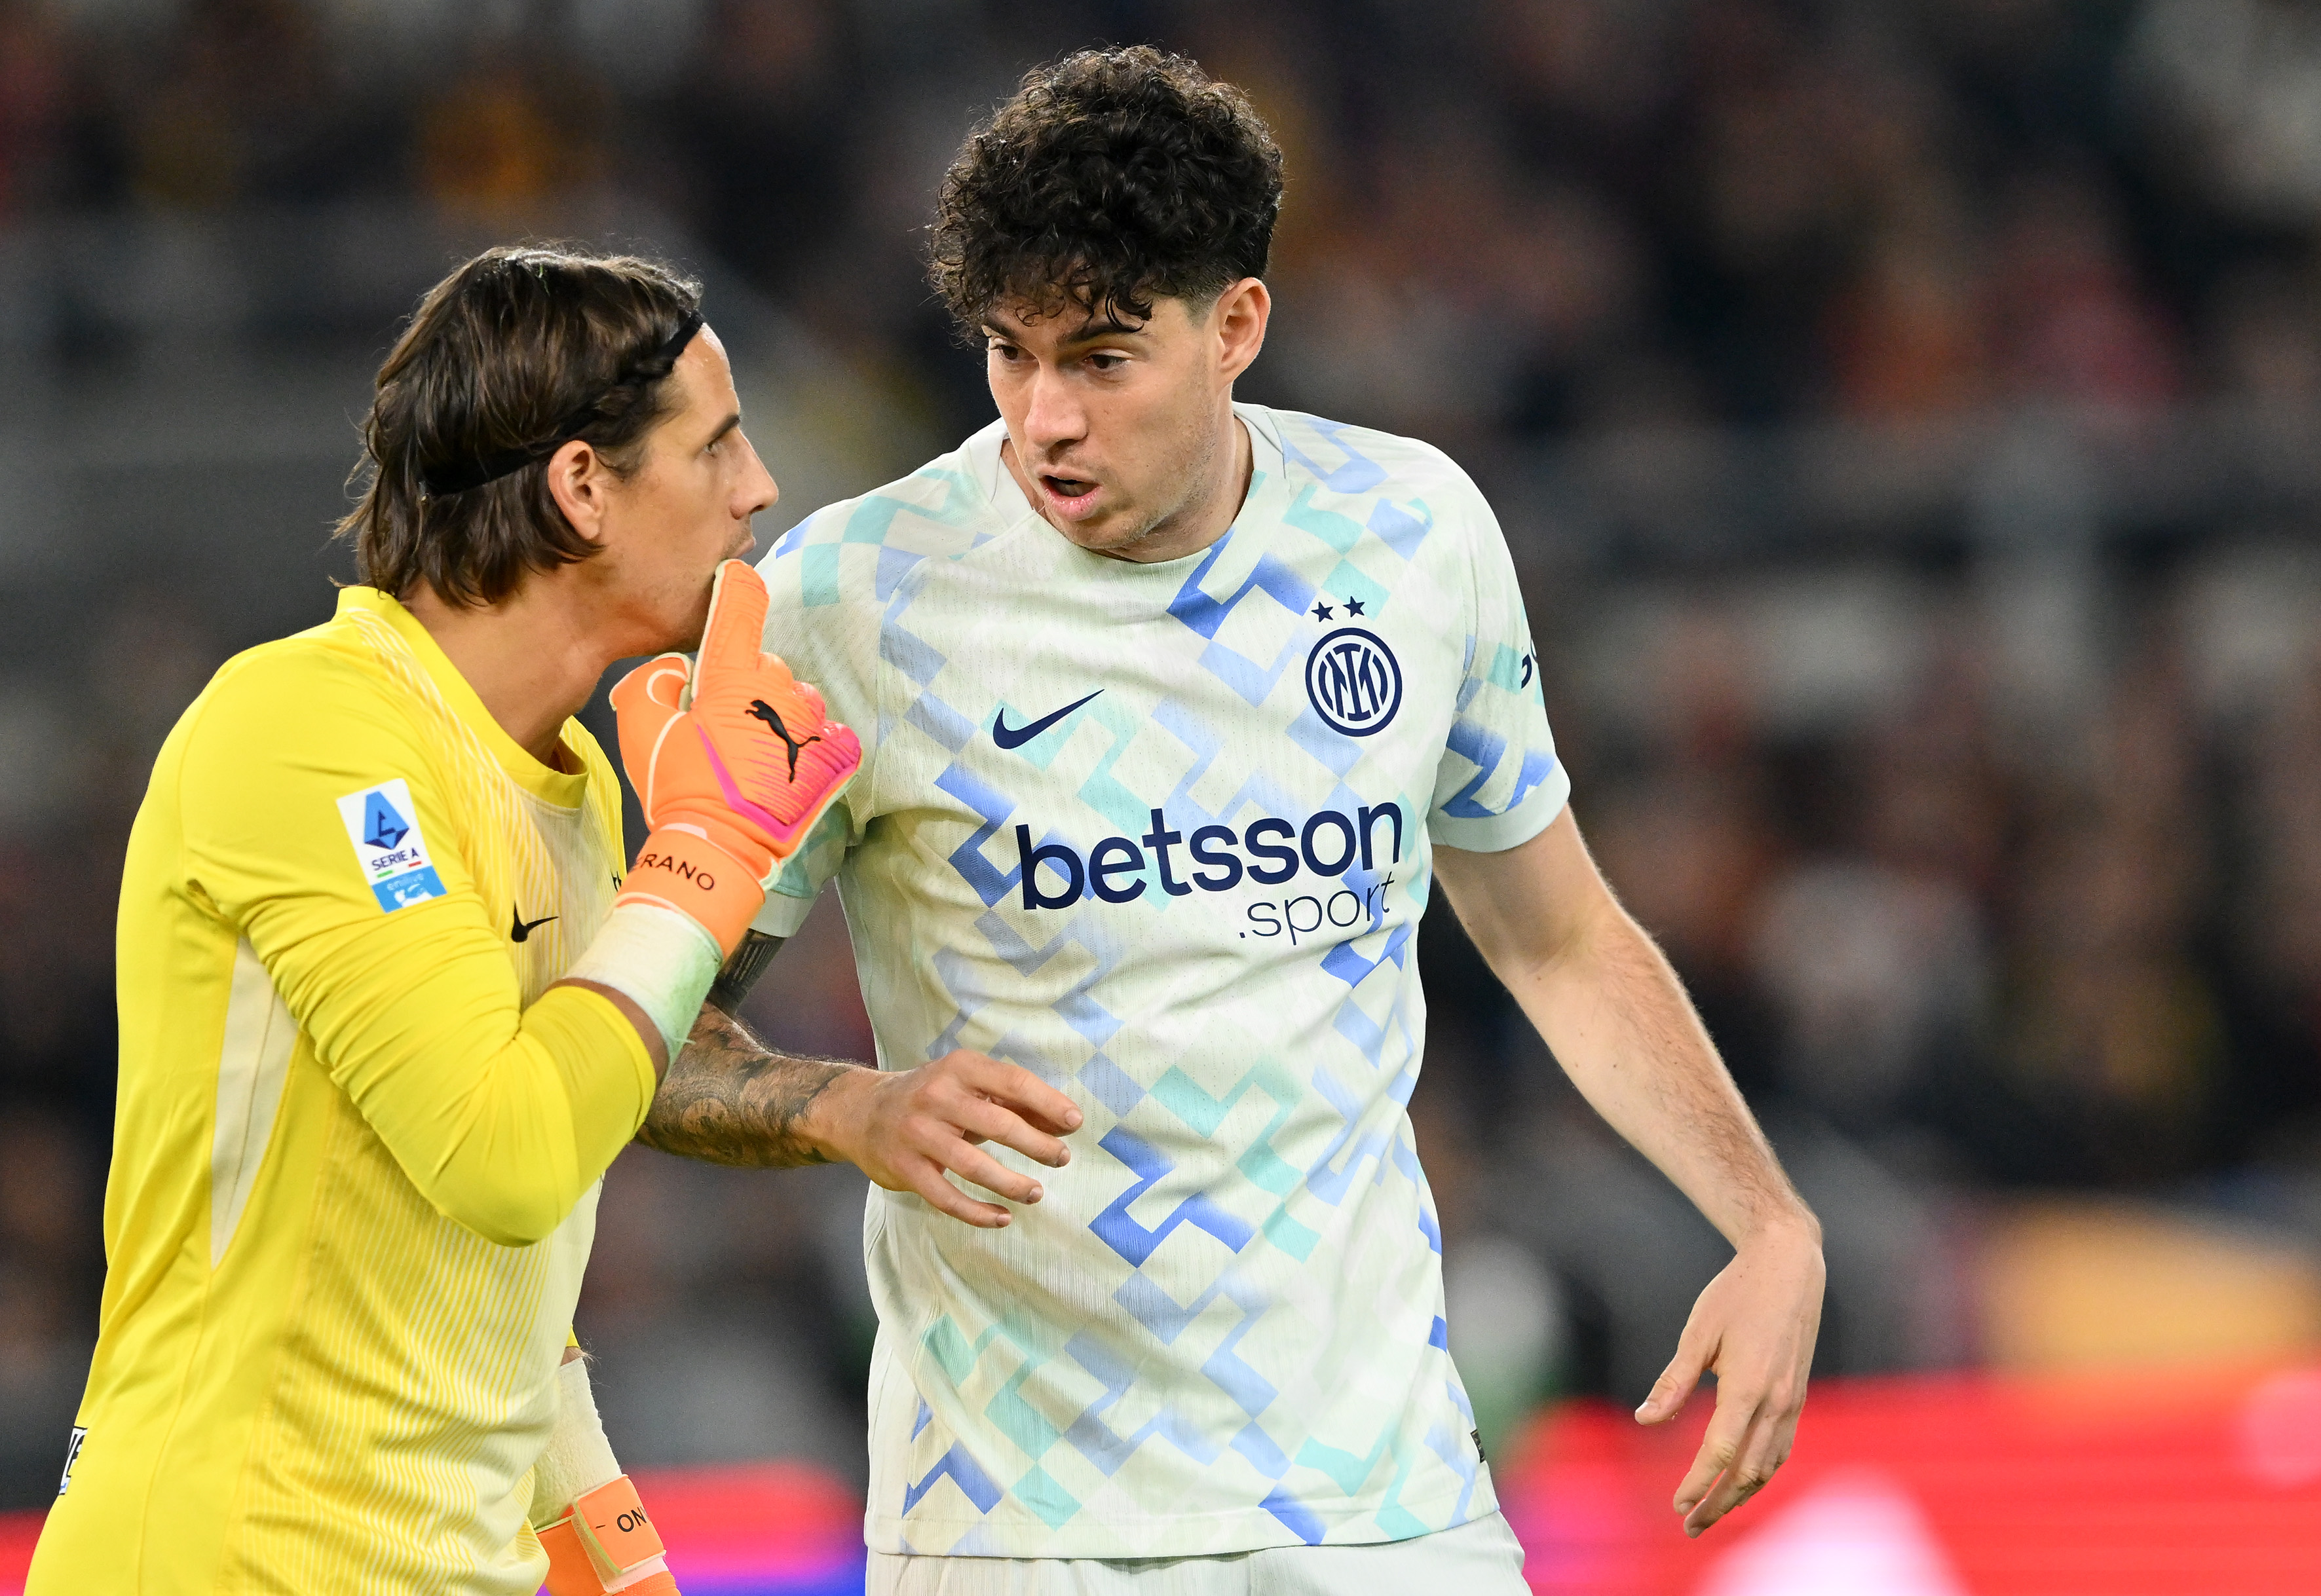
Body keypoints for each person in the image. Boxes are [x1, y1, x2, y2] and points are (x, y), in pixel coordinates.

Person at [638, 46, 1826, 1593]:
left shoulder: (1408, 539)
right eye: (1009, 354)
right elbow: (645, 1031)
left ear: (1237, 327)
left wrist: (1766, 1218)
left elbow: (1553, 933)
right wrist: (848, 1110)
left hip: (1383, 1499)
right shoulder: (852, 597)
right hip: (1018, 1523)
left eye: (1102, 358)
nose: (1043, 419)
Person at [28, 246, 860, 1595]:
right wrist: (704, 857)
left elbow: (503, 1281)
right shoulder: (307, 730)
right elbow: (503, 1155)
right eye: (714, 446)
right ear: (582, 487)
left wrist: (617, 1558)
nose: (758, 488)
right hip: (226, 1558)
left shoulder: (578, 790)